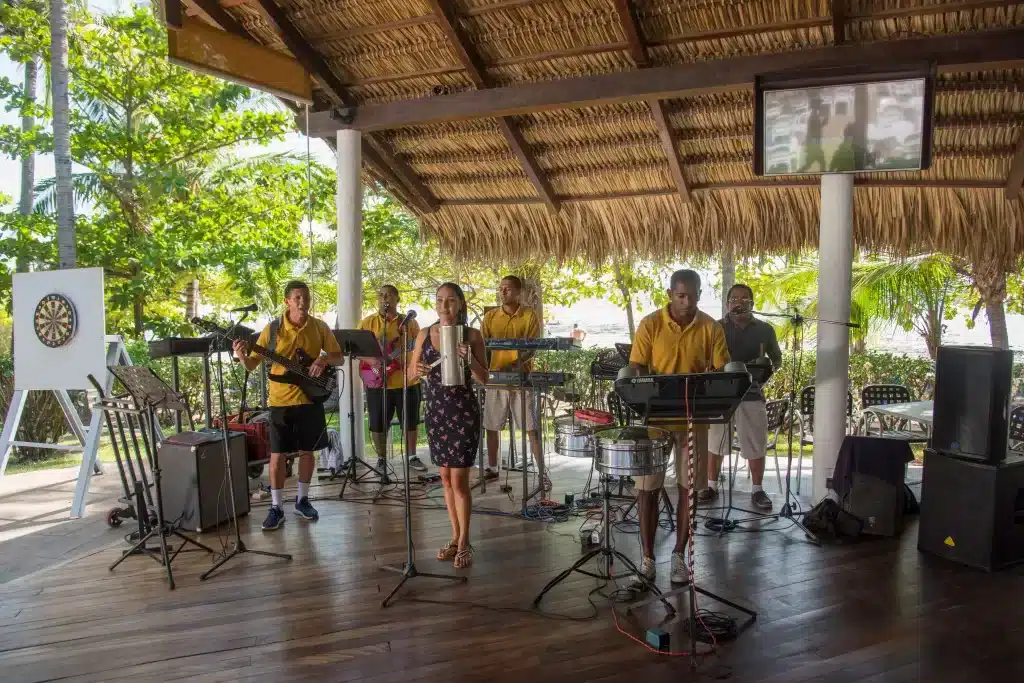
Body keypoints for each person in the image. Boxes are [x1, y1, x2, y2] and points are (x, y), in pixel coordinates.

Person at [627, 270, 729, 584]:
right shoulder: (650, 324)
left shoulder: (711, 327)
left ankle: (678, 556)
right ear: (671, 293)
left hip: (692, 419)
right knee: (647, 489)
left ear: (699, 293)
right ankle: (647, 558)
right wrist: (636, 384)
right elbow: (636, 364)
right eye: (681, 295)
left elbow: (722, 370)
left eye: (693, 295)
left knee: (689, 490)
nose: (687, 302)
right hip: (655, 420)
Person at [233, 281, 343, 530]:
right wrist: (241, 355)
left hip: (309, 398)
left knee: (308, 452)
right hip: (280, 402)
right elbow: (252, 365)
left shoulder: (319, 326)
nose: (303, 302)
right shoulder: (271, 330)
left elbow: (339, 357)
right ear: (287, 301)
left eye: (306, 297)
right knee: (277, 454)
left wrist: (323, 359)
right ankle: (276, 507)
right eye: (297, 298)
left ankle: (302, 500)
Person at [409, 283, 489, 568]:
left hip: (464, 412)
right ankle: (454, 536)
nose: (445, 306)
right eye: (440, 300)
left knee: (459, 480)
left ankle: (466, 540)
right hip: (437, 412)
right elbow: (410, 374)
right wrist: (416, 371)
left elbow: (485, 378)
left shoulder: (473, 335)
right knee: (444, 477)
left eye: (451, 301)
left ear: (460, 304)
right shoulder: (423, 334)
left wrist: (470, 360)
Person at [705, 284, 783, 510]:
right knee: (716, 441)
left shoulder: (765, 330)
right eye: (734, 298)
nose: (739, 302)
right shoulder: (715, 328)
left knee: (756, 441)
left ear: (752, 303)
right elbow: (704, 359)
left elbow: (776, 359)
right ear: (728, 303)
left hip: (752, 393)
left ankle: (757, 489)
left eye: (744, 299)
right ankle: (711, 486)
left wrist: (764, 369)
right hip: (720, 394)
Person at [480, 276, 548, 490]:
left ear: (519, 292)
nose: (503, 292)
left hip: (522, 379)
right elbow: (481, 346)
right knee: (492, 425)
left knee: (531, 427)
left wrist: (515, 364)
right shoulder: (490, 317)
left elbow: (532, 347)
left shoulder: (530, 315)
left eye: (507, 289)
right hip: (495, 379)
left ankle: (541, 472)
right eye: (500, 289)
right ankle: (492, 468)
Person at [358, 285, 427, 474]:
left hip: (407, 381)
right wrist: (371, 360)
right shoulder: (367, 322)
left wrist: (410, 361)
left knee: (410, 421)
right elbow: (356, 350)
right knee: (378, 423)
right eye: (380, 295)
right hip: (377, 381)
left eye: (388, 295)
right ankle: (381, 459)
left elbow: (418, 348)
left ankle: (412, 456)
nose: (384, 298)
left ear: (398, 299)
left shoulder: (409, 323)